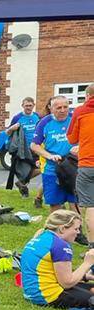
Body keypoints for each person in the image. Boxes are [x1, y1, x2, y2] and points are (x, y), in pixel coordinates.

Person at [21, 210, 94, 309]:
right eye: (76, 229)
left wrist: (85, 276)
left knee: (91, 288)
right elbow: (67, 283)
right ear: (63, 229)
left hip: (33, 293)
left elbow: (52, 272)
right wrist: (87, 263)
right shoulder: (61, 246)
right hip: (48, 296)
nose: (78, 232)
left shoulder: (42, 237)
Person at [30, 95, 80, 214]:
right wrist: (49, 156)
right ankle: (56, 231)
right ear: (51, 108)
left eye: (65, 107)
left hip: (73, 168)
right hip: (52, 170)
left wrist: (80, 147)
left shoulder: (75, 118)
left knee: (74, 204)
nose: (63, 110)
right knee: (55, 205)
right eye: (58, 108)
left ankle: (77, 231)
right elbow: (34, 145)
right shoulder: (44, 122)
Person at [69, 84, 94, 247]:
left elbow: (71, 138)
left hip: (87, 164)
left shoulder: (81, 111)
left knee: (91, 206)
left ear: (87, 96)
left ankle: (93, 246)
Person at [6, 97, 42, 197]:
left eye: (30, 105)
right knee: (26, 169)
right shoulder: (17, 117)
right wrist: (12, 128)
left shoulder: (37, 116)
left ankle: (21, 182)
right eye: (26, 105)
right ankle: (23, 186)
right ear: (22, 106)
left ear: (34, 105)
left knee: (40, 168)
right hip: (23, 149)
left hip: (36, 147)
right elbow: (7, 132)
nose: (28, 108)